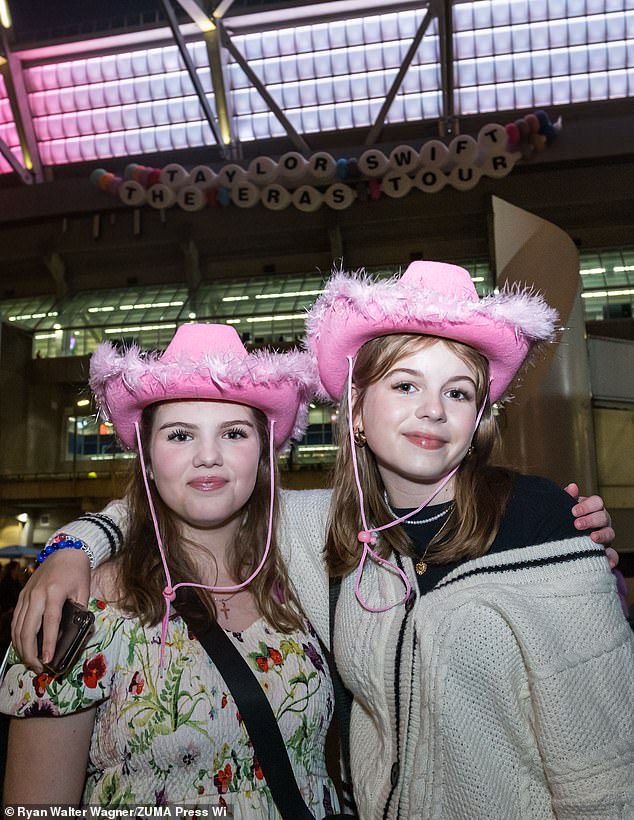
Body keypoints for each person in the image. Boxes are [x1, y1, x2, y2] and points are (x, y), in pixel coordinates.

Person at [304, 261, 634, 819]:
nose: (433, 409)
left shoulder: (539, 518)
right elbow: (198, 499)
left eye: (457, 393)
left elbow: (602, 759)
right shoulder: (330, 528)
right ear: (357, 410)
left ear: (477, 418)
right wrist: (99, 539)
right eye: (405, 384)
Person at [0, 324, 340, 815]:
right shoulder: (84, 604)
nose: (208, 456)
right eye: (180, 435)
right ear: (149, 459)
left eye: (234, 433)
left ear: (263, 455)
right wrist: (71, 548)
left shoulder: (303, 576)